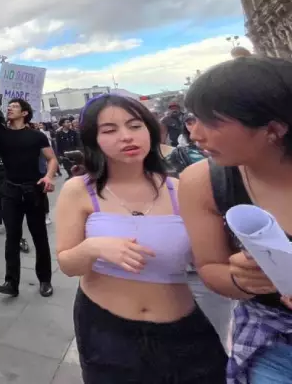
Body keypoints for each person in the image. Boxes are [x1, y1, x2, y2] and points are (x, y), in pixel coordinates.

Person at [54, 95, 226, 383]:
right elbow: (69, 264)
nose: (126, 137)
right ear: (93, 139)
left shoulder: (182, 189)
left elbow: (210, 262)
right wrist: (93, 247)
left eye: (135, 126)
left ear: (149, 129)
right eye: (109, 130)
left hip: (183, 331)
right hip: (104, 330)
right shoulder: (79, 190)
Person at [178, 56, 292, 382]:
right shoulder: (202, 182)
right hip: (273, 340)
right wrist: (243, 279)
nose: (195, 135)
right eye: (192, 119)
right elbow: (211, 268)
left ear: (273, 128)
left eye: (211, 122)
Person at [0, 98, 58, 298]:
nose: (9, 109)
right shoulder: (0, 134)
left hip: (34, 190)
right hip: (10, 191)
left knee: (40, 237)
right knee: (11, 238)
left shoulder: (37, 136)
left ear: (25, 113)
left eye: (14, 107)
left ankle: (45, 280)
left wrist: (48, 176)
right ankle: (11, 283)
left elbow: (52, 159)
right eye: (9, 107)